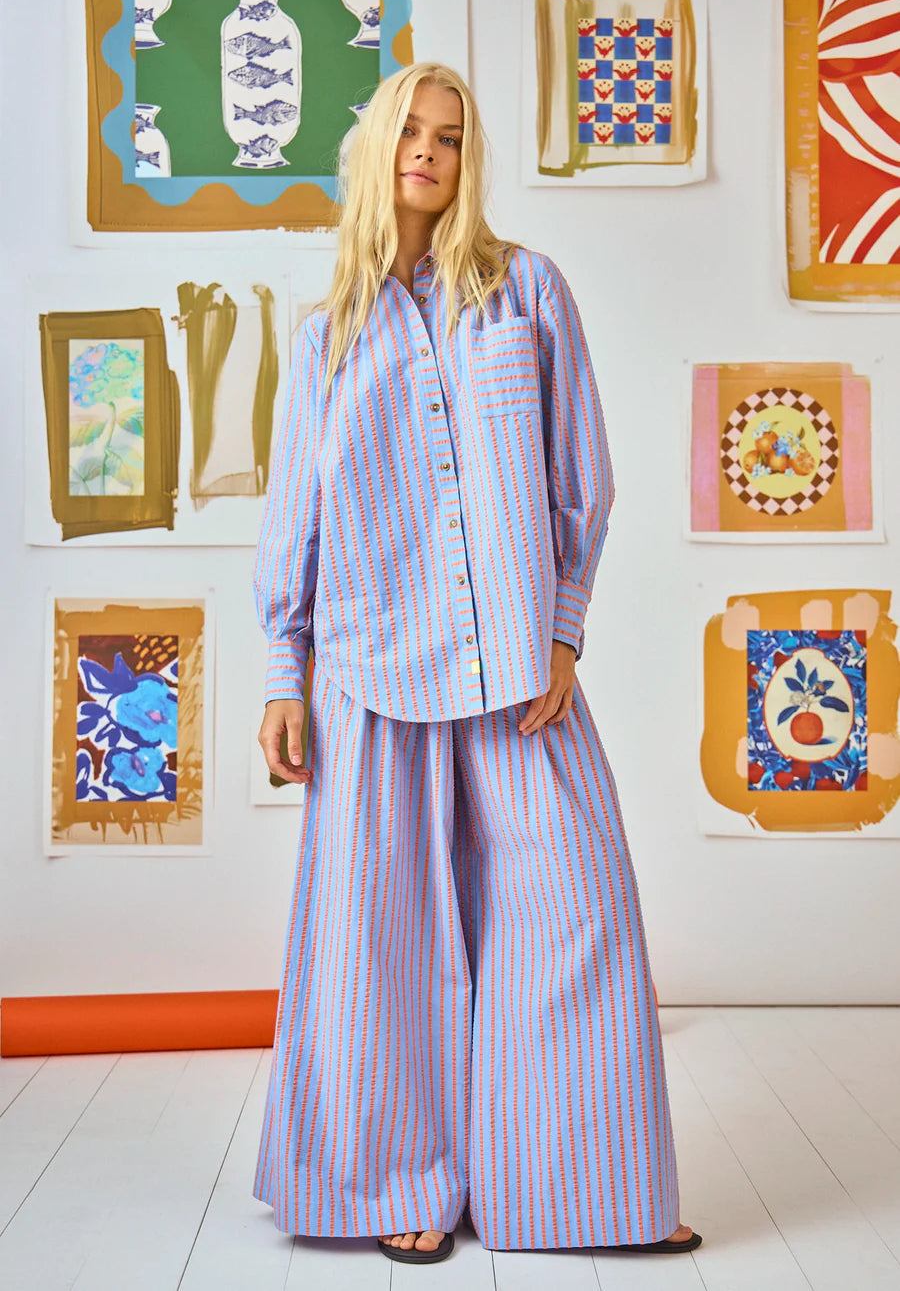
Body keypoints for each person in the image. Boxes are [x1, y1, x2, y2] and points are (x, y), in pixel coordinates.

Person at [251, 61, 702, 1267]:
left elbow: (581, 478)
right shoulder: (326, 338)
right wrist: (282, 678)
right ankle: (393, 1182)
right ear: (376, 149)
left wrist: (561, 629)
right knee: (379, 941)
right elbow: (291, 517)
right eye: (410, 131)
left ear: (468, 158)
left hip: (517, 671)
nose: (429, 152)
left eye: (449, 136)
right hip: (371, 671)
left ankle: (586, 1193)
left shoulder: (527, 295)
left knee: (576, 911)